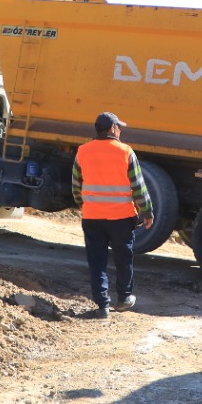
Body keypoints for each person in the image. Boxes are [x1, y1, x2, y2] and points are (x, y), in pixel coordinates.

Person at [70, 111, 155, 319]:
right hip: (121, 218)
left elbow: (75, 186)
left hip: (92, 218)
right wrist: (147, 211)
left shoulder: (83, 151)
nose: (120, 130)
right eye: (119, 127)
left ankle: (102, 307)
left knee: (97, 261)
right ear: (113, 129)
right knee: (123, 258)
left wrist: (86, 205)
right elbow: (138, 186)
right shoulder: (125, 152)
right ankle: (124, 298)